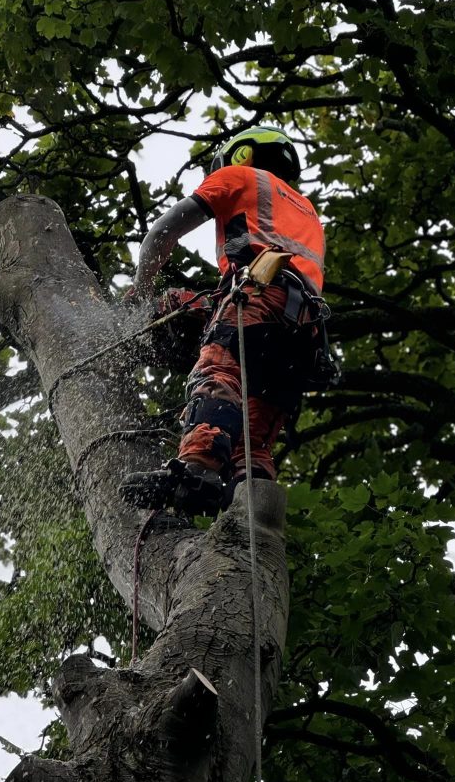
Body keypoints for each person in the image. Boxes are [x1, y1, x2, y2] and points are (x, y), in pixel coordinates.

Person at [120, 125, 328, 515]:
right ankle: (253, 505)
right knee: (255, 432)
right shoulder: (307, 211)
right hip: (304, 327)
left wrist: (140, 291)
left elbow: (163, 232)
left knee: (217, 373)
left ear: (241, 155)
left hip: (258, 291)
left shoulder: (239, 175)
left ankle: (195, 471)